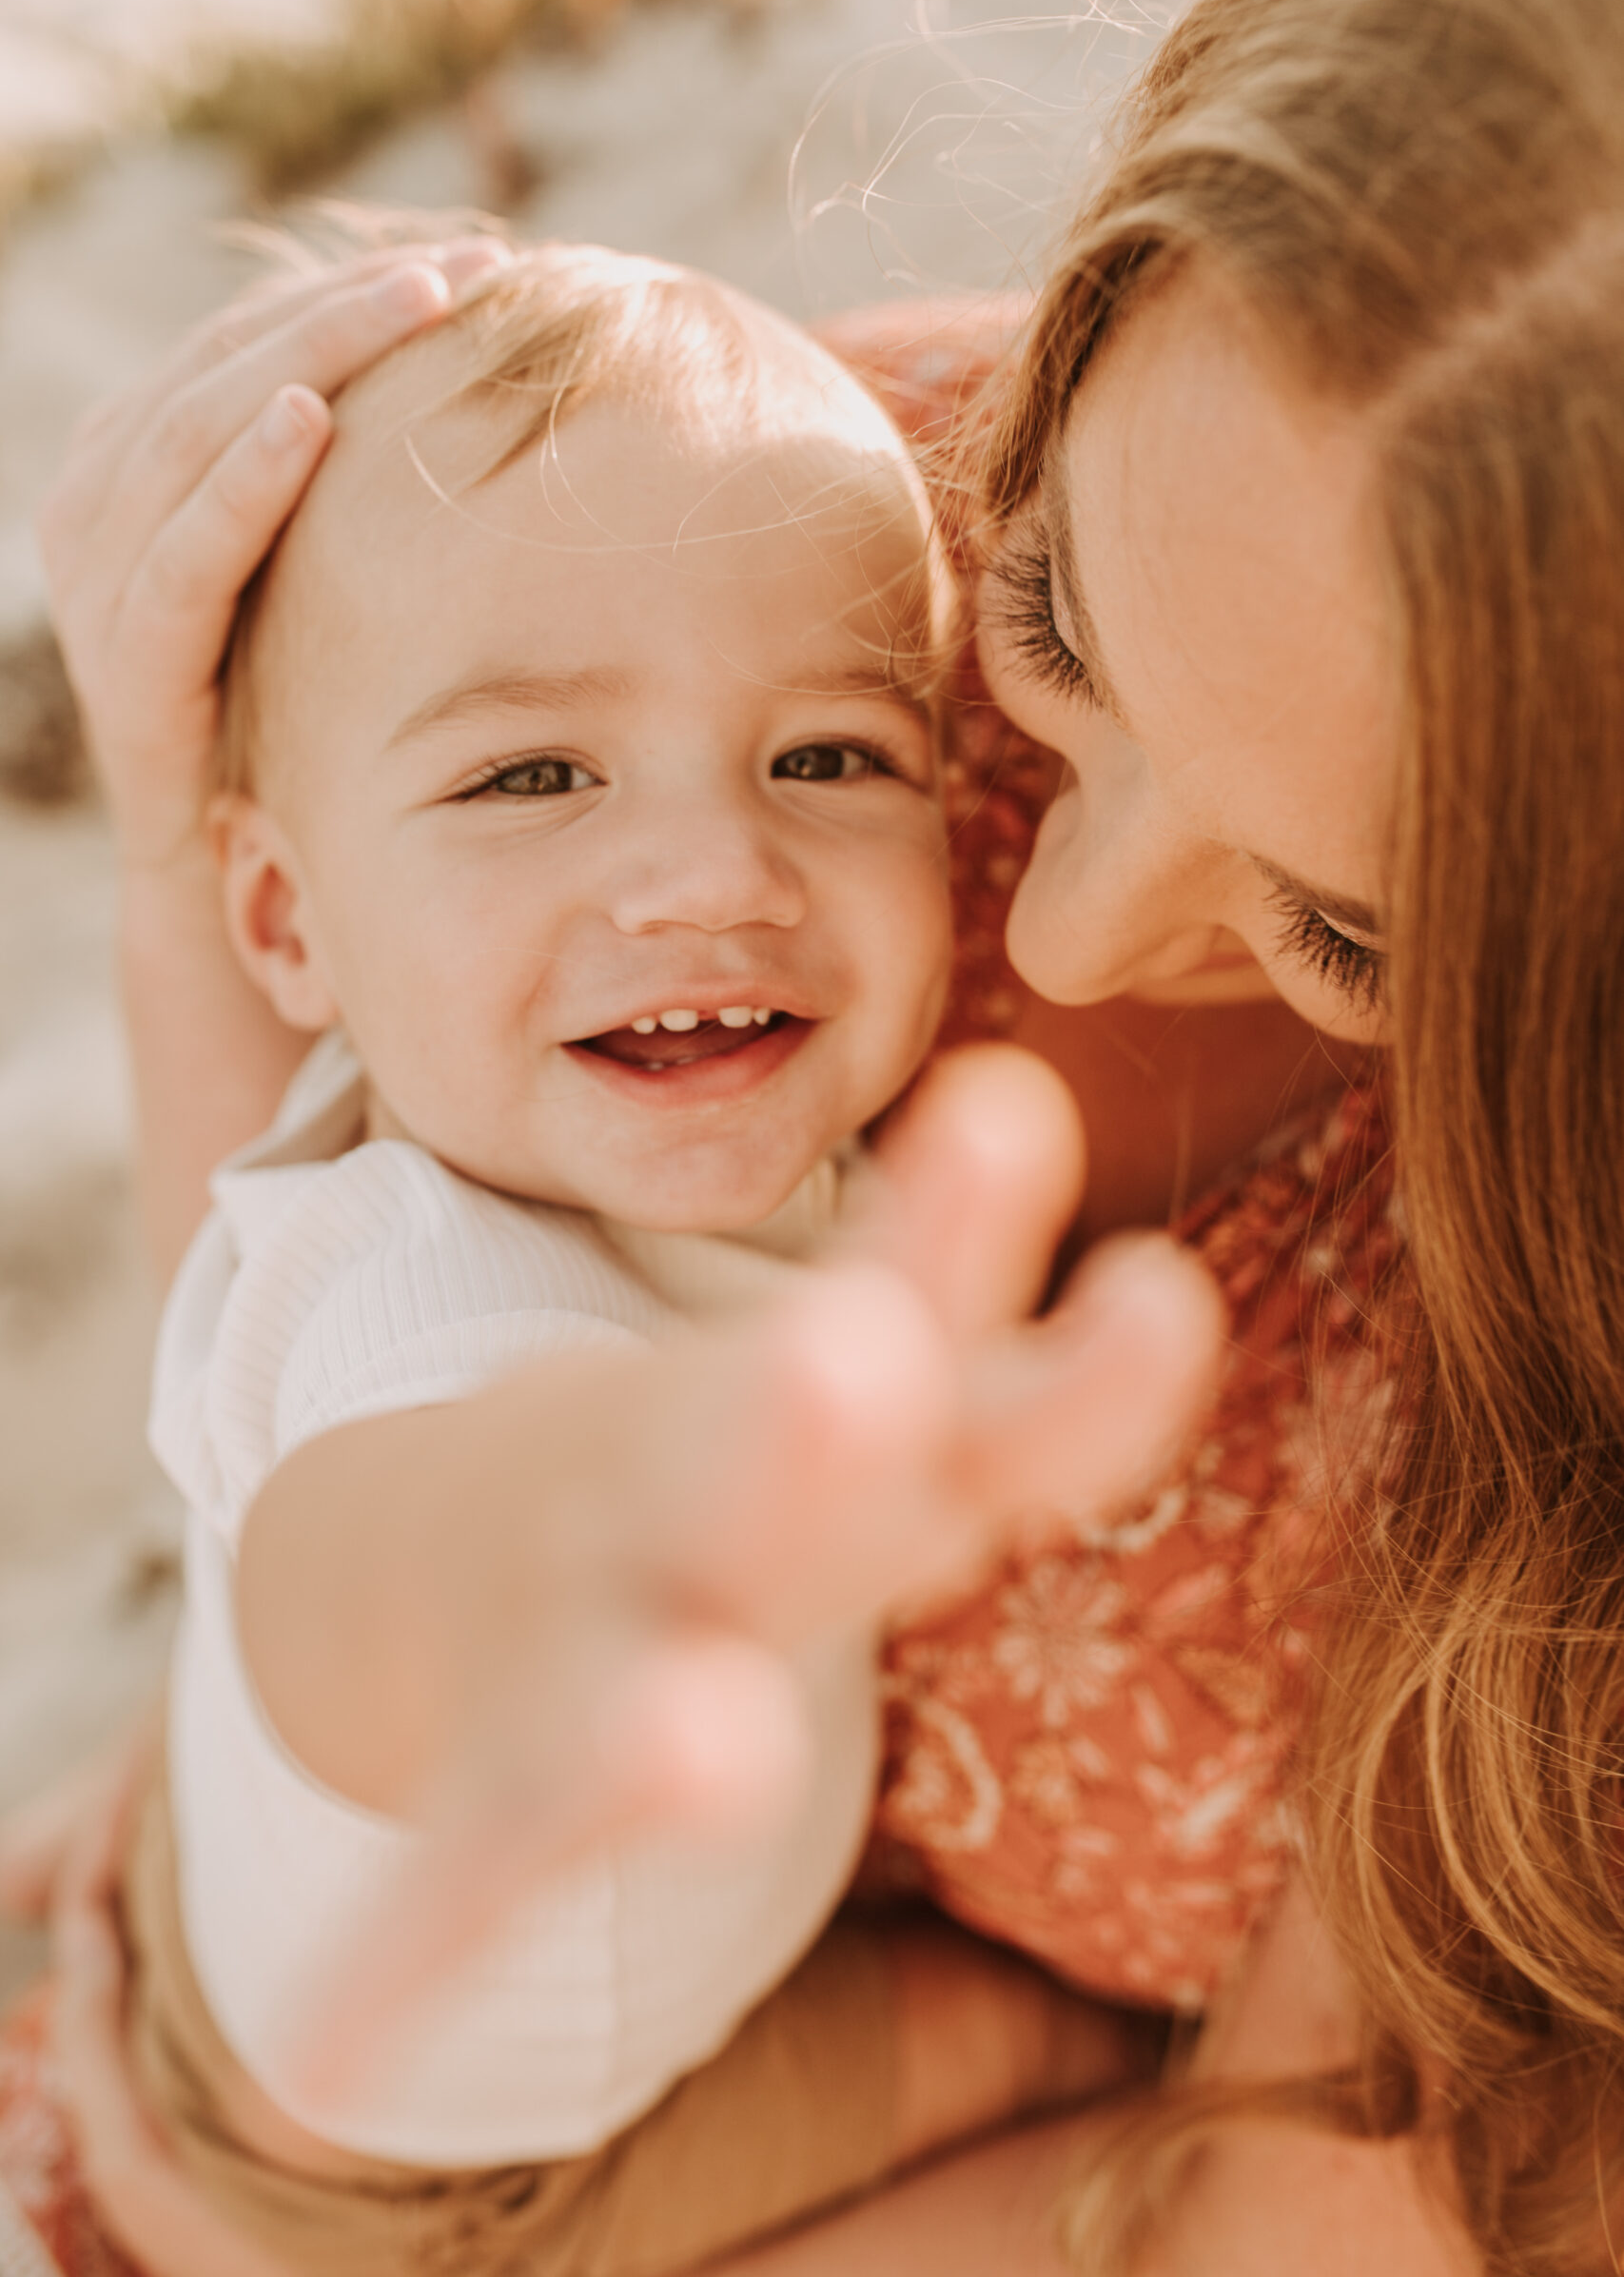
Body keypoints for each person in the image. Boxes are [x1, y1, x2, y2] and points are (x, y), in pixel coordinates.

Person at [10, 0, 1623, 2268]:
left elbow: (1319, 2190)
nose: (1044, 916)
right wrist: (181, 846)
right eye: (1054, 621)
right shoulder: (787, 553)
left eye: (1335, 915)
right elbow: (358, 1384)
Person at [98, 234, 1161, 2277]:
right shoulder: (411, 1301)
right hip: (419, 2189)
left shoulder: (487, 1085)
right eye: (530, 773)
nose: (710, 866)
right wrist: (646, 1505)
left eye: (826, 755)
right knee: (1055, 2054)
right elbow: (409, 1524)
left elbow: (193, 1199)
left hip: (401, 1945)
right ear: (288, 923)